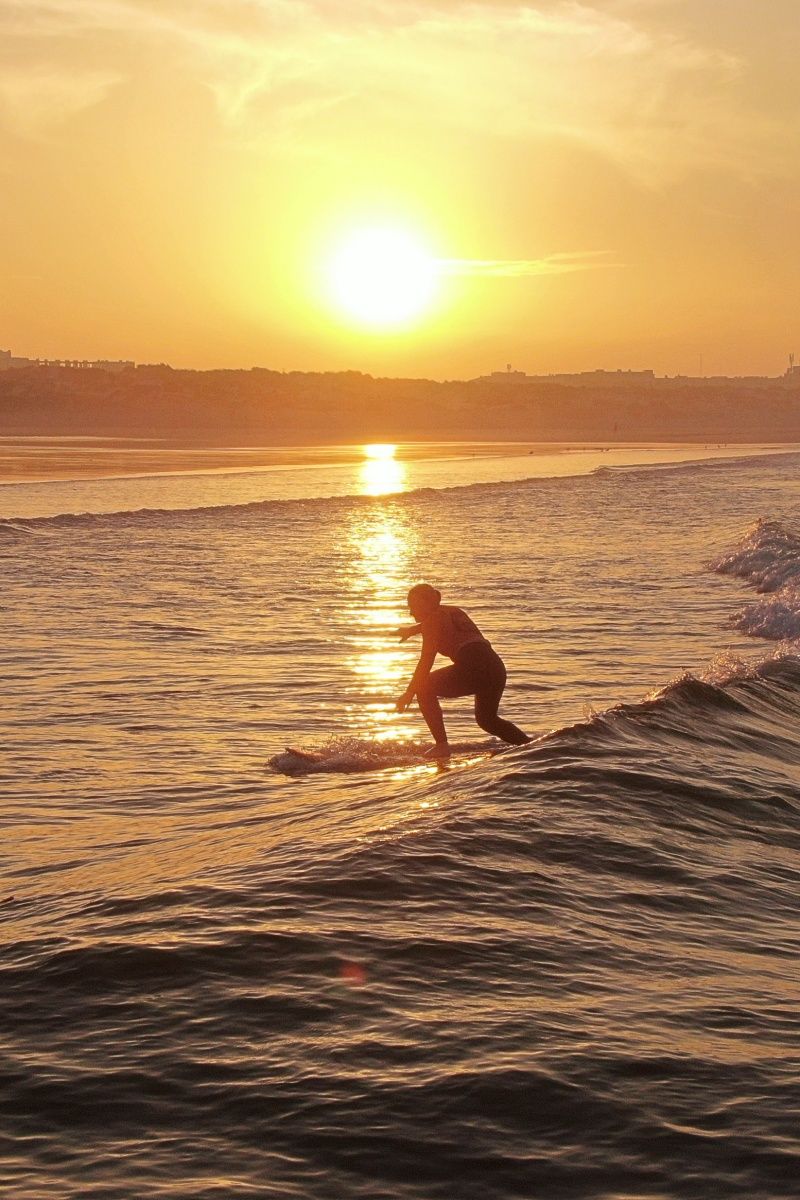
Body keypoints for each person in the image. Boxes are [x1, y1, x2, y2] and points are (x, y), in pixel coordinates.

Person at [395, 583, 530, 758]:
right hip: (495, 667)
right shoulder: (453, 610)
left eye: (413, 606)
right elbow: (435, 622)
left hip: (473, 666)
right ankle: (530, 746)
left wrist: (409, 692)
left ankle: (442, 746)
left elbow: (426, 662)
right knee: (487, 720)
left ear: (426, 603)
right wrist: (411, 631)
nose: (411, 613)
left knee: (423, 687)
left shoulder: (431, 624)